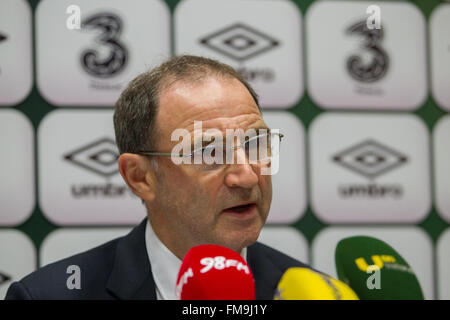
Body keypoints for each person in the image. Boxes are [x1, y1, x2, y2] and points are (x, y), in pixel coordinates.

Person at [6, 55, 312, 300]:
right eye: (209, 153)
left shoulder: (310, 293)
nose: (246, 176)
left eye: (255, 144)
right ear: (140, 177)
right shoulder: (48, 295)